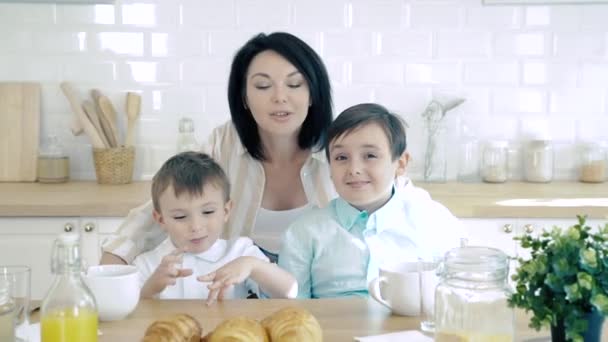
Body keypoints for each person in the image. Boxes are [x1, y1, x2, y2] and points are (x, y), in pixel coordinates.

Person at [101, 32, 335, 265]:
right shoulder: (224, 143)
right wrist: (116, 257)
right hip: (236, 294)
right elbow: (171, 200)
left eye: (294, 84)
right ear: (244, 97)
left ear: (313, 93)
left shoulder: (340, 147)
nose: (280, 97)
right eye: (263, 86)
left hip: (323, 294)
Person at [278, 103, 465, 299]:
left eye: (370, 156)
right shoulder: (304, 232)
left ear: (400, 164)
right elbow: (294, 310)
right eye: (341, 157)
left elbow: (457, 295)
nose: (354, 169)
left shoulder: (435, 221)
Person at [133, 151, 297, 304]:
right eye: (180, 217)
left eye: (208, 211)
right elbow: (130, 317)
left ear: (226, 211)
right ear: (160, 219)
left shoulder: (240, 252)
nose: (196, 226)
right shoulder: (147, 264)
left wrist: (253, 266)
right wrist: (150, 289)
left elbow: (289, 292)